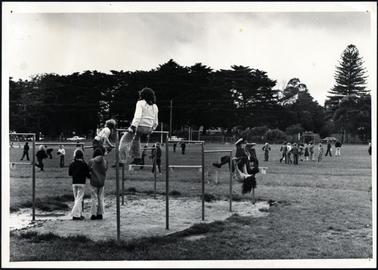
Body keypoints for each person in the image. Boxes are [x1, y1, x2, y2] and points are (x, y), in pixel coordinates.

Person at [119, 87, 159, 164]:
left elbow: (138, 116)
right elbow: (156, 120)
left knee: (124, 141)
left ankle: (122, 161)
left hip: (139, 127)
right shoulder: (155, 106)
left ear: (142, 95)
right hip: (149, 128)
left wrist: (133, 127)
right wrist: (152, 129)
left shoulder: (140, 103)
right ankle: (137, 158)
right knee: (136, 139)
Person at [68, 149, 90, 220]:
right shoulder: (84, 164)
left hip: (74, 183)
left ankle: (78, 214)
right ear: (82, 156)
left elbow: (70, 173)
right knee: (79, 199)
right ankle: (75, 214)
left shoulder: (72, 164)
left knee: (76, 199)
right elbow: (87, 174)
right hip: (82, 183)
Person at [88, 148, 108, 220]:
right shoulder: (105, 161)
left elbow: (89, 170)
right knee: (100, 198)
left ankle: (93, 214)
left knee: (94, 198)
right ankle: (100, 214)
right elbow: (105, 169)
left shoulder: (91, 161)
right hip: (101, 182)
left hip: (93, 181)